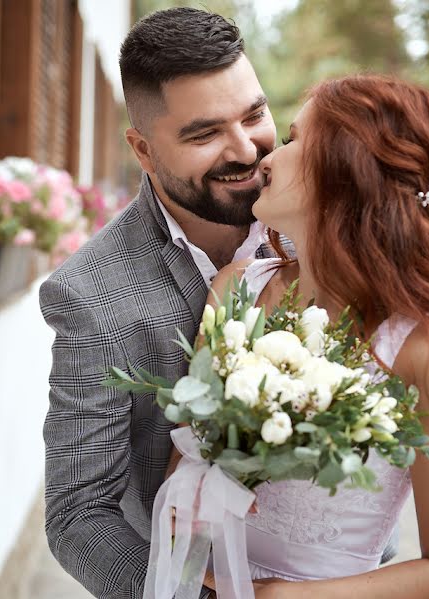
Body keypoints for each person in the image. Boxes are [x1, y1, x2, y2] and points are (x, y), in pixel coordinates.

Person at [192, 74, 429, 598]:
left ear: (346, 171)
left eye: (293, 141)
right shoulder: (234, 292)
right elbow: (190, 451)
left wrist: (276, 597)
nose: (267, 159)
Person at [39, 8, 279, 598]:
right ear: (143, 151)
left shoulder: (327, 226)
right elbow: (79, 512)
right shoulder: (90, 295)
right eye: (204, 134)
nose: (246, 150)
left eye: (254, 114)